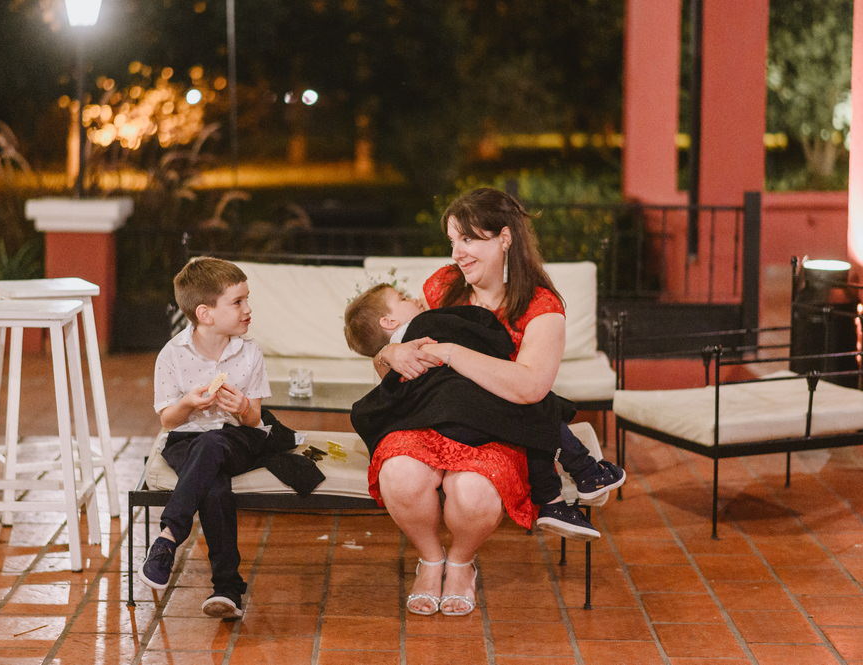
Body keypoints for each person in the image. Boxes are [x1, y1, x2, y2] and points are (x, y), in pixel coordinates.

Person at [366, 187, 623, 617]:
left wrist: (450, 352)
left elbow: (528, 388)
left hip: (500, 427)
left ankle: (461, 563)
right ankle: (430, 560)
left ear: (505, 238)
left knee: (471, 491)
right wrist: (388, 354)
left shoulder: (541, 307)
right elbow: (400, 357)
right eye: (453, 241)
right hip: (431, 417)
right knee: (400, 475)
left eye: (469, 239)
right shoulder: (443, 286)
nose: (458, 253)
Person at [343, 283, 622, 511]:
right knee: (535, 408)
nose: (414, 298)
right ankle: (581, 472)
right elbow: (477, 334)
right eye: (403, 298)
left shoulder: (411, 337)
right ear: (389, 320)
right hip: (462, 412)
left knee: (528, 413)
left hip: (447, 419)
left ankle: (553, 497)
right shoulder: (426, 324)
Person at [139, 257, 279, 620]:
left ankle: (169, 536)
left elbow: (255, 418)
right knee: (213, 483)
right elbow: (168, 421)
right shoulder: (172, 354)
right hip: (186, 440)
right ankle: (227, 588)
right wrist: (187, 403)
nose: (248, 309)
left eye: (247, 299)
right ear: (205, 313)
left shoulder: (249, 352)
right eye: (238, 302)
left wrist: (242, 406)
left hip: (237, 438)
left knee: (214, 443)